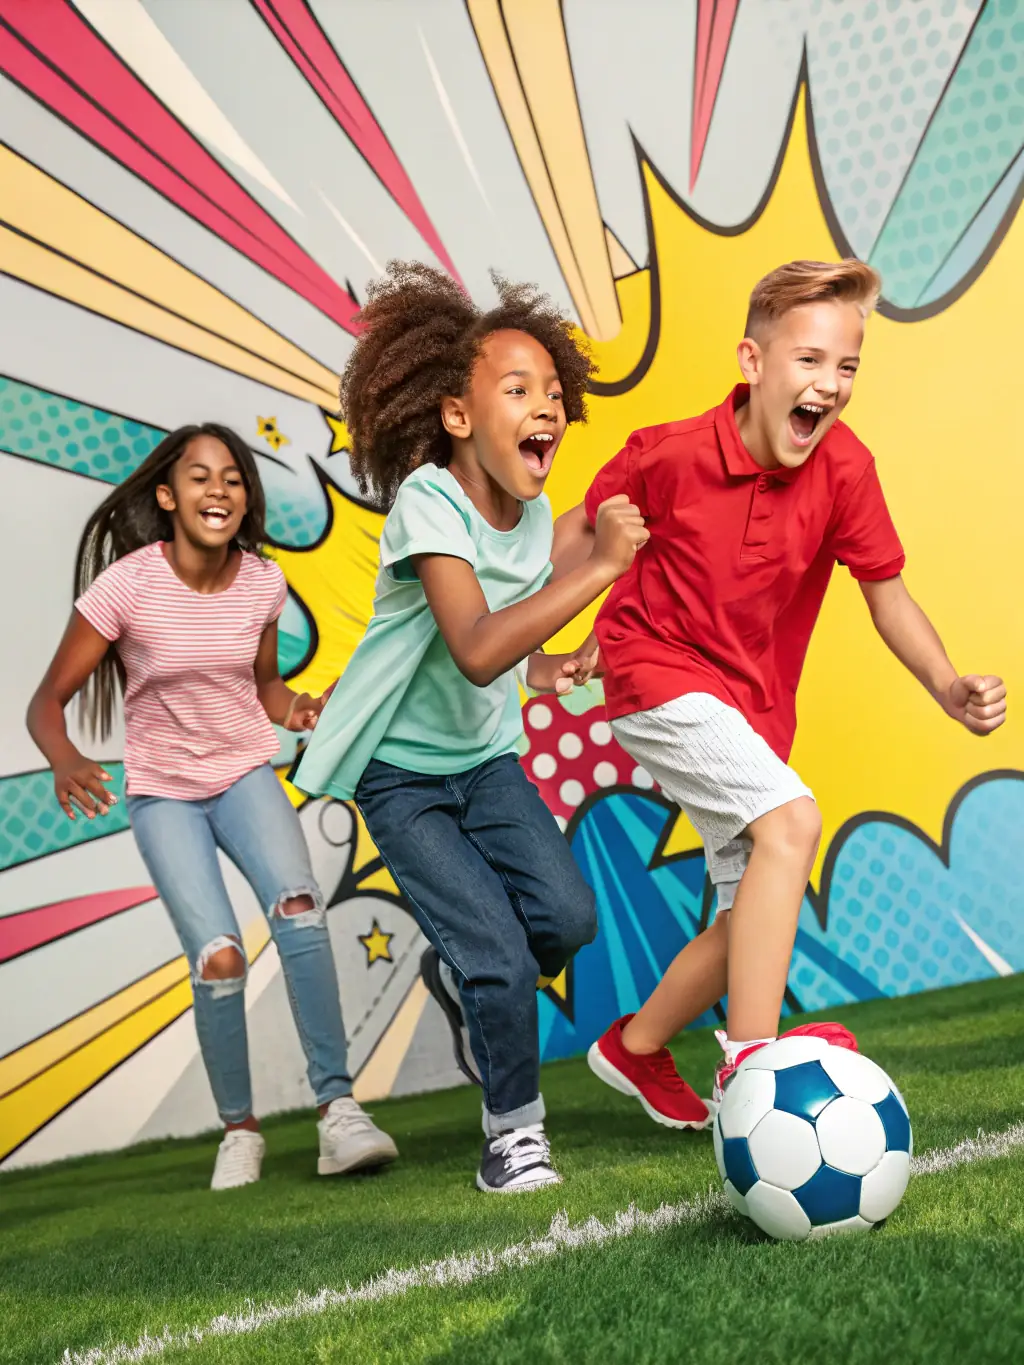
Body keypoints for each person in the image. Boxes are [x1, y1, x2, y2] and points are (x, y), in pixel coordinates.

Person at [550, 259, 1007, 1128]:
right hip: (652, 668)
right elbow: (577, 533)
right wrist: (516, 633)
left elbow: (888, 592)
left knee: (750, 913)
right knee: (792, 822)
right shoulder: (670, 455)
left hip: (750, 708)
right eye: (809, 361)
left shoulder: (845, 470)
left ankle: (635, 1047)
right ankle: (750, 1068)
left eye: (847, 367)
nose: (829, 385)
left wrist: (946, 682)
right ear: (752, 363)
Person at [293, 262, 648, 1193]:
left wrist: (554, 665)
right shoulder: (428, 502)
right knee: (495, 952)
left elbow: (502, 639)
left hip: (486, 765)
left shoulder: (530, 516)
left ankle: (478, 977)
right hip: (403, 780)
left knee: (566, 920)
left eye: (554, 393)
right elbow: (475, 646)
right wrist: (602, 566)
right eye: (518, 388)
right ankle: (514, 1136)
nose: (547, 406)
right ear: (457, 416)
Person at [26, 423, 399, 1189]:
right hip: (165, 794)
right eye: (199, 477)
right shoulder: (128, 585)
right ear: (167, 497)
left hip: (242, 775)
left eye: (232, 477)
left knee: (298, 909)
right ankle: (240, 1129)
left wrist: (293, 706)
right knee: (219, 956)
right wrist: (65, 757)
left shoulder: (262, 582)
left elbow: (260, 685)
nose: (219, 490)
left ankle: (338, 1111)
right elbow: (46, 701)